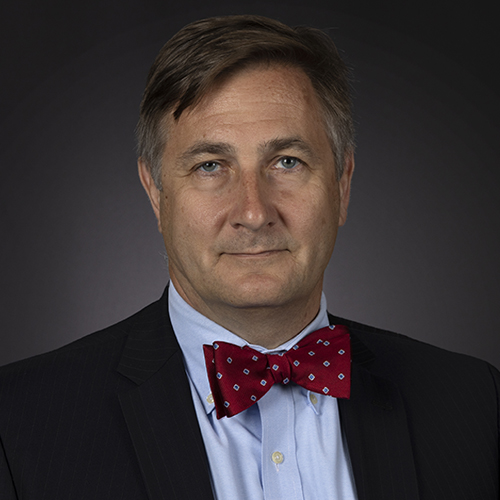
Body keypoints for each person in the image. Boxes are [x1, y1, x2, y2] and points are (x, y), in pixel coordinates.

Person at [0, 14, 498, 500]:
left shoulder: (475, 404)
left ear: (342, 184)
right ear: (155, 192)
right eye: (210, 166)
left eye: (287, 162)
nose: (254, 213)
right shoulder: (19, 421)